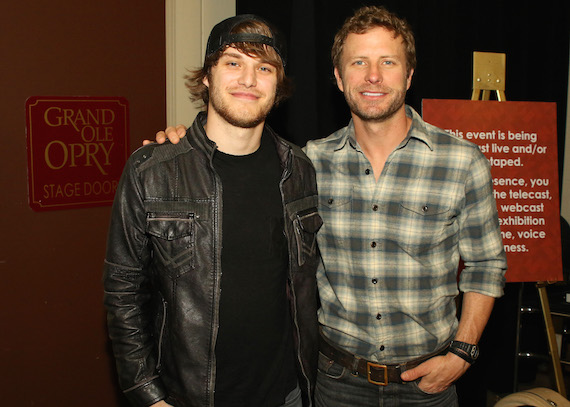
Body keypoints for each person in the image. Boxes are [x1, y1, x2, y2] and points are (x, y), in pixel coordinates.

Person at [156, 6, 507, 406]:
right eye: (359, 62)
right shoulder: (307, 164)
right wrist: (183, 145)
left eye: (387, 62)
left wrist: (463, 352)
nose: (373, 76)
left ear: (409, 75)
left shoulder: (462, 161)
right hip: (335, 381)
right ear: (339, 78)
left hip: (429, 385)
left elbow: (486, 264)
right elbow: (237, 162)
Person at [104, 14, 322, 407]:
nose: (249, 80)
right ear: (207, 77)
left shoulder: (300, 169)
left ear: (279, 83)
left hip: (287, 394)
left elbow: (305, 289)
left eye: (264, 68)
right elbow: (123, 293)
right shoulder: (152, 171)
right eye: (234, 63)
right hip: (187, 397)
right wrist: (148, 397)